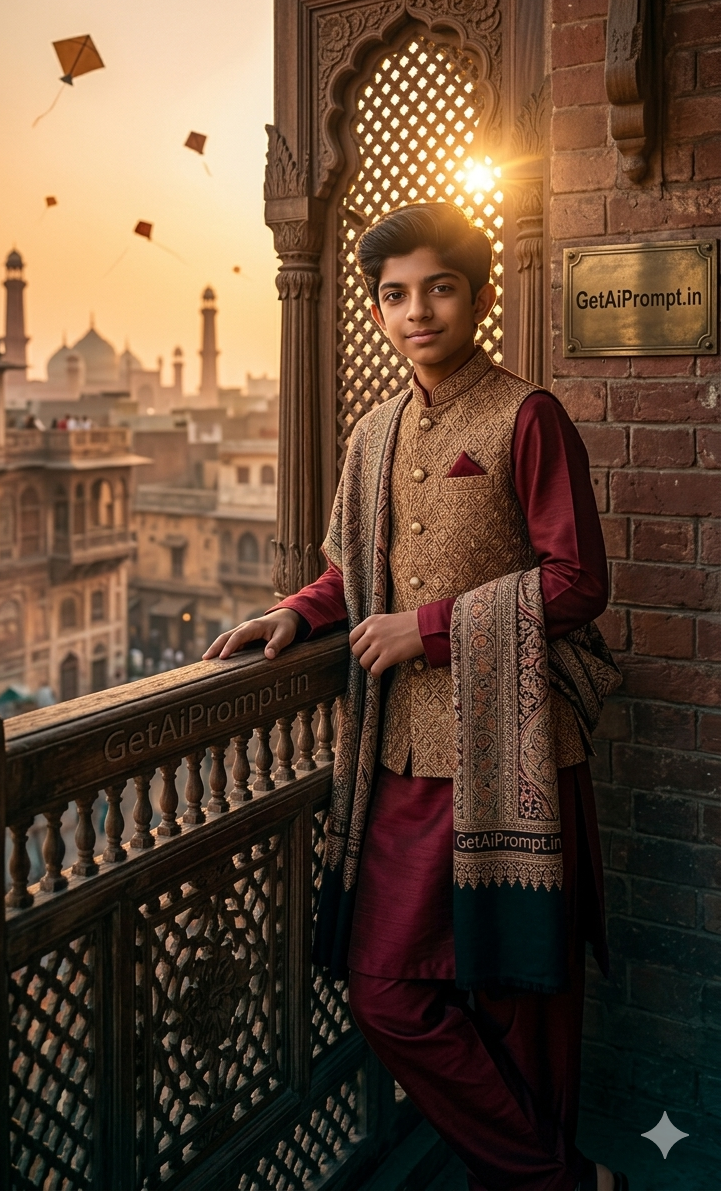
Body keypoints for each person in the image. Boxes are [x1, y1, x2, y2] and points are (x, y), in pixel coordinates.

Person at [203, 203, 626, 1191]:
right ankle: (564, 1179)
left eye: (438, 286)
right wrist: (298, 615)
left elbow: (578, 581)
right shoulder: (374, 431)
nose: (416, 310)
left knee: (523, 992)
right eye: (395, 294)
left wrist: (426, 630)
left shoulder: (528, 415)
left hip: (514, 748)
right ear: (378, 308)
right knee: (386, 986)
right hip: (400, 754)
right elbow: (359, 569)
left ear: (475, 293)